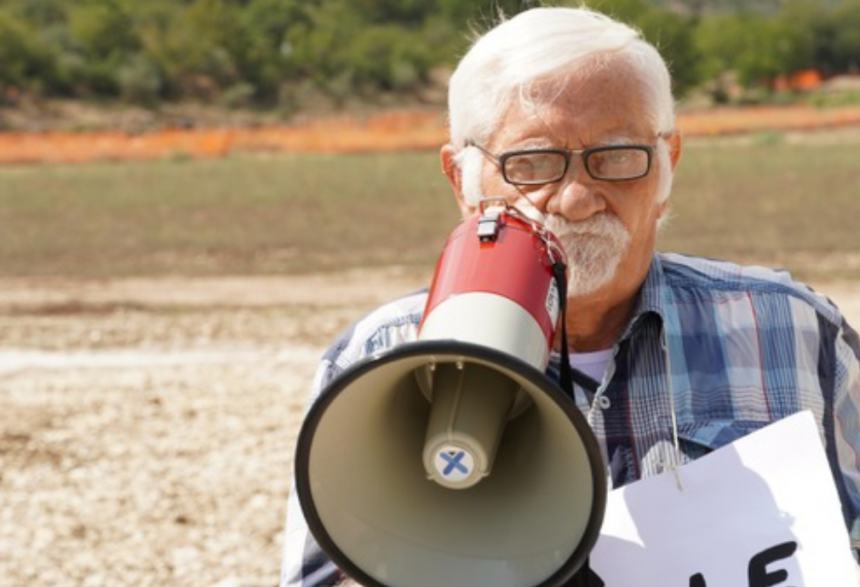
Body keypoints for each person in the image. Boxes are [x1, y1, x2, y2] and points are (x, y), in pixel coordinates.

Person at [280, 7, 860, 586]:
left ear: (667, 165)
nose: (577, 198)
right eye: (531, 163)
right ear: (462, 179)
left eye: (615, 157)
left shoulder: (792, 331)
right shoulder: (378, 357)